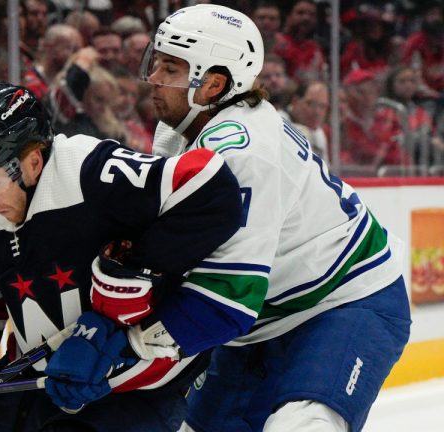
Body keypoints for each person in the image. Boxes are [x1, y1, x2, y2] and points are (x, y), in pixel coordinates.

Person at [0, 82, 243, 431]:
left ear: (33, 162)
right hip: (41, 378)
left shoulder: (89, 171)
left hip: (141, 378)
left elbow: (211, 186)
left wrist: (134, 270)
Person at [142, 4, 410, 431]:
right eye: (156, 63)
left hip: (346, 300)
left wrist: (135, 339)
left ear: (213, 84)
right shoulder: (182, 131)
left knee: (303, 425)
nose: (154, 79)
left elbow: (232, 289)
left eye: (170, 69)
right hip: (260, 323)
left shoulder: (240, 152)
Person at [340, 68, 410, 168]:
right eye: (361, 92)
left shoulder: (387, 120)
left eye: (372, 91)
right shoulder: (342, 123)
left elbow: (402, 158)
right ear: (348, 94)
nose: (368, 98)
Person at [287, 79, 330, 162]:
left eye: (322, 106)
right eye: (311, 104)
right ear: (295, 101)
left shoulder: (319, 133)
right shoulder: (277, 122)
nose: (317, 112)